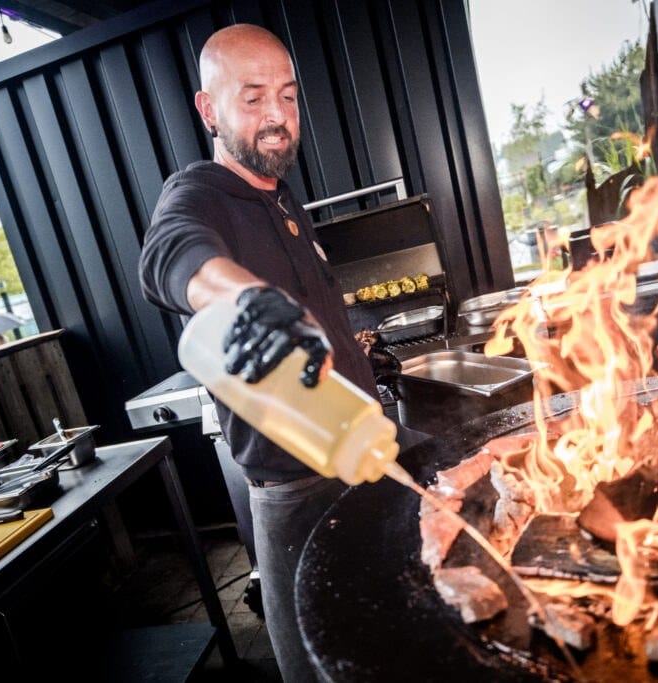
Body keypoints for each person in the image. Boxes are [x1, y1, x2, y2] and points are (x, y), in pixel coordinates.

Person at [138, 24, 386, 682]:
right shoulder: (197, 193)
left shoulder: (282, 199)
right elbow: (169, 255)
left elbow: (315, 308)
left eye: (287, 96)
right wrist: (248, 298)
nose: (277, 116)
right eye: (252, 99)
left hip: (362, 452)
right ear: (208, 108)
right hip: (295, 489)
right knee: (312, 668)